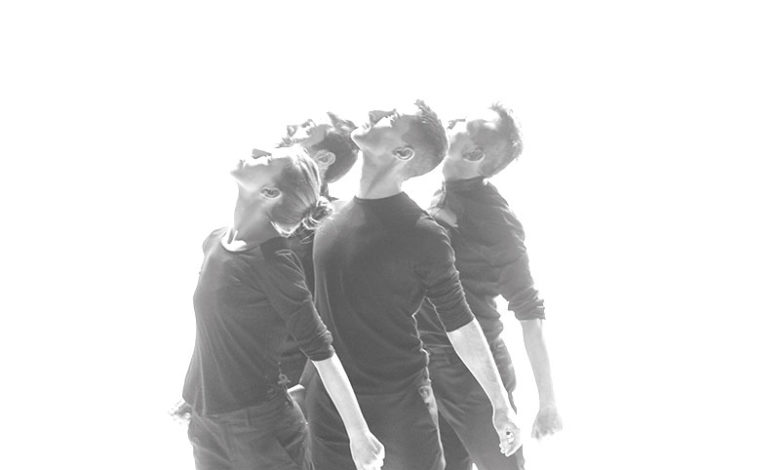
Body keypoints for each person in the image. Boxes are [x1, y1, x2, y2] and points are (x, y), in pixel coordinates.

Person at [305, 101, 522, 470]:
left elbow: (460, 323)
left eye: (390, 118)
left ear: (402, 153)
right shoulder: (329, 218)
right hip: (330, 405)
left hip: (399, 410)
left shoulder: (423, 234)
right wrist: (305, 384)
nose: (374, 112)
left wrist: (500, 404)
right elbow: (321, 315)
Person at [181, 146, 384, 470]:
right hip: (205, 421)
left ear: (270, 193)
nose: (257, 151)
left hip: (260, 429)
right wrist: (195, 396)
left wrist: (358, 434)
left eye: (267, 159)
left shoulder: (274, 263)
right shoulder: (215, 241)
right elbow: (218, 333)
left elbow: (321, 350)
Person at [416, 104, 563, 470]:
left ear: (473, 154)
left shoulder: (496, 220)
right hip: (429, 363)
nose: (450, 122)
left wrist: (547, 402)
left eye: (462, 123)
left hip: (474, 376)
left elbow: (529, 311)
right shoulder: (446, 190)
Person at [275, 113, 359, 389]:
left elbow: (340, 316)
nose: (291, 126)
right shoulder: (264, 207)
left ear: (323, 159)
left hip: (287, 378)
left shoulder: (335, 223)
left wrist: (305, 384)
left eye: (307, 128)